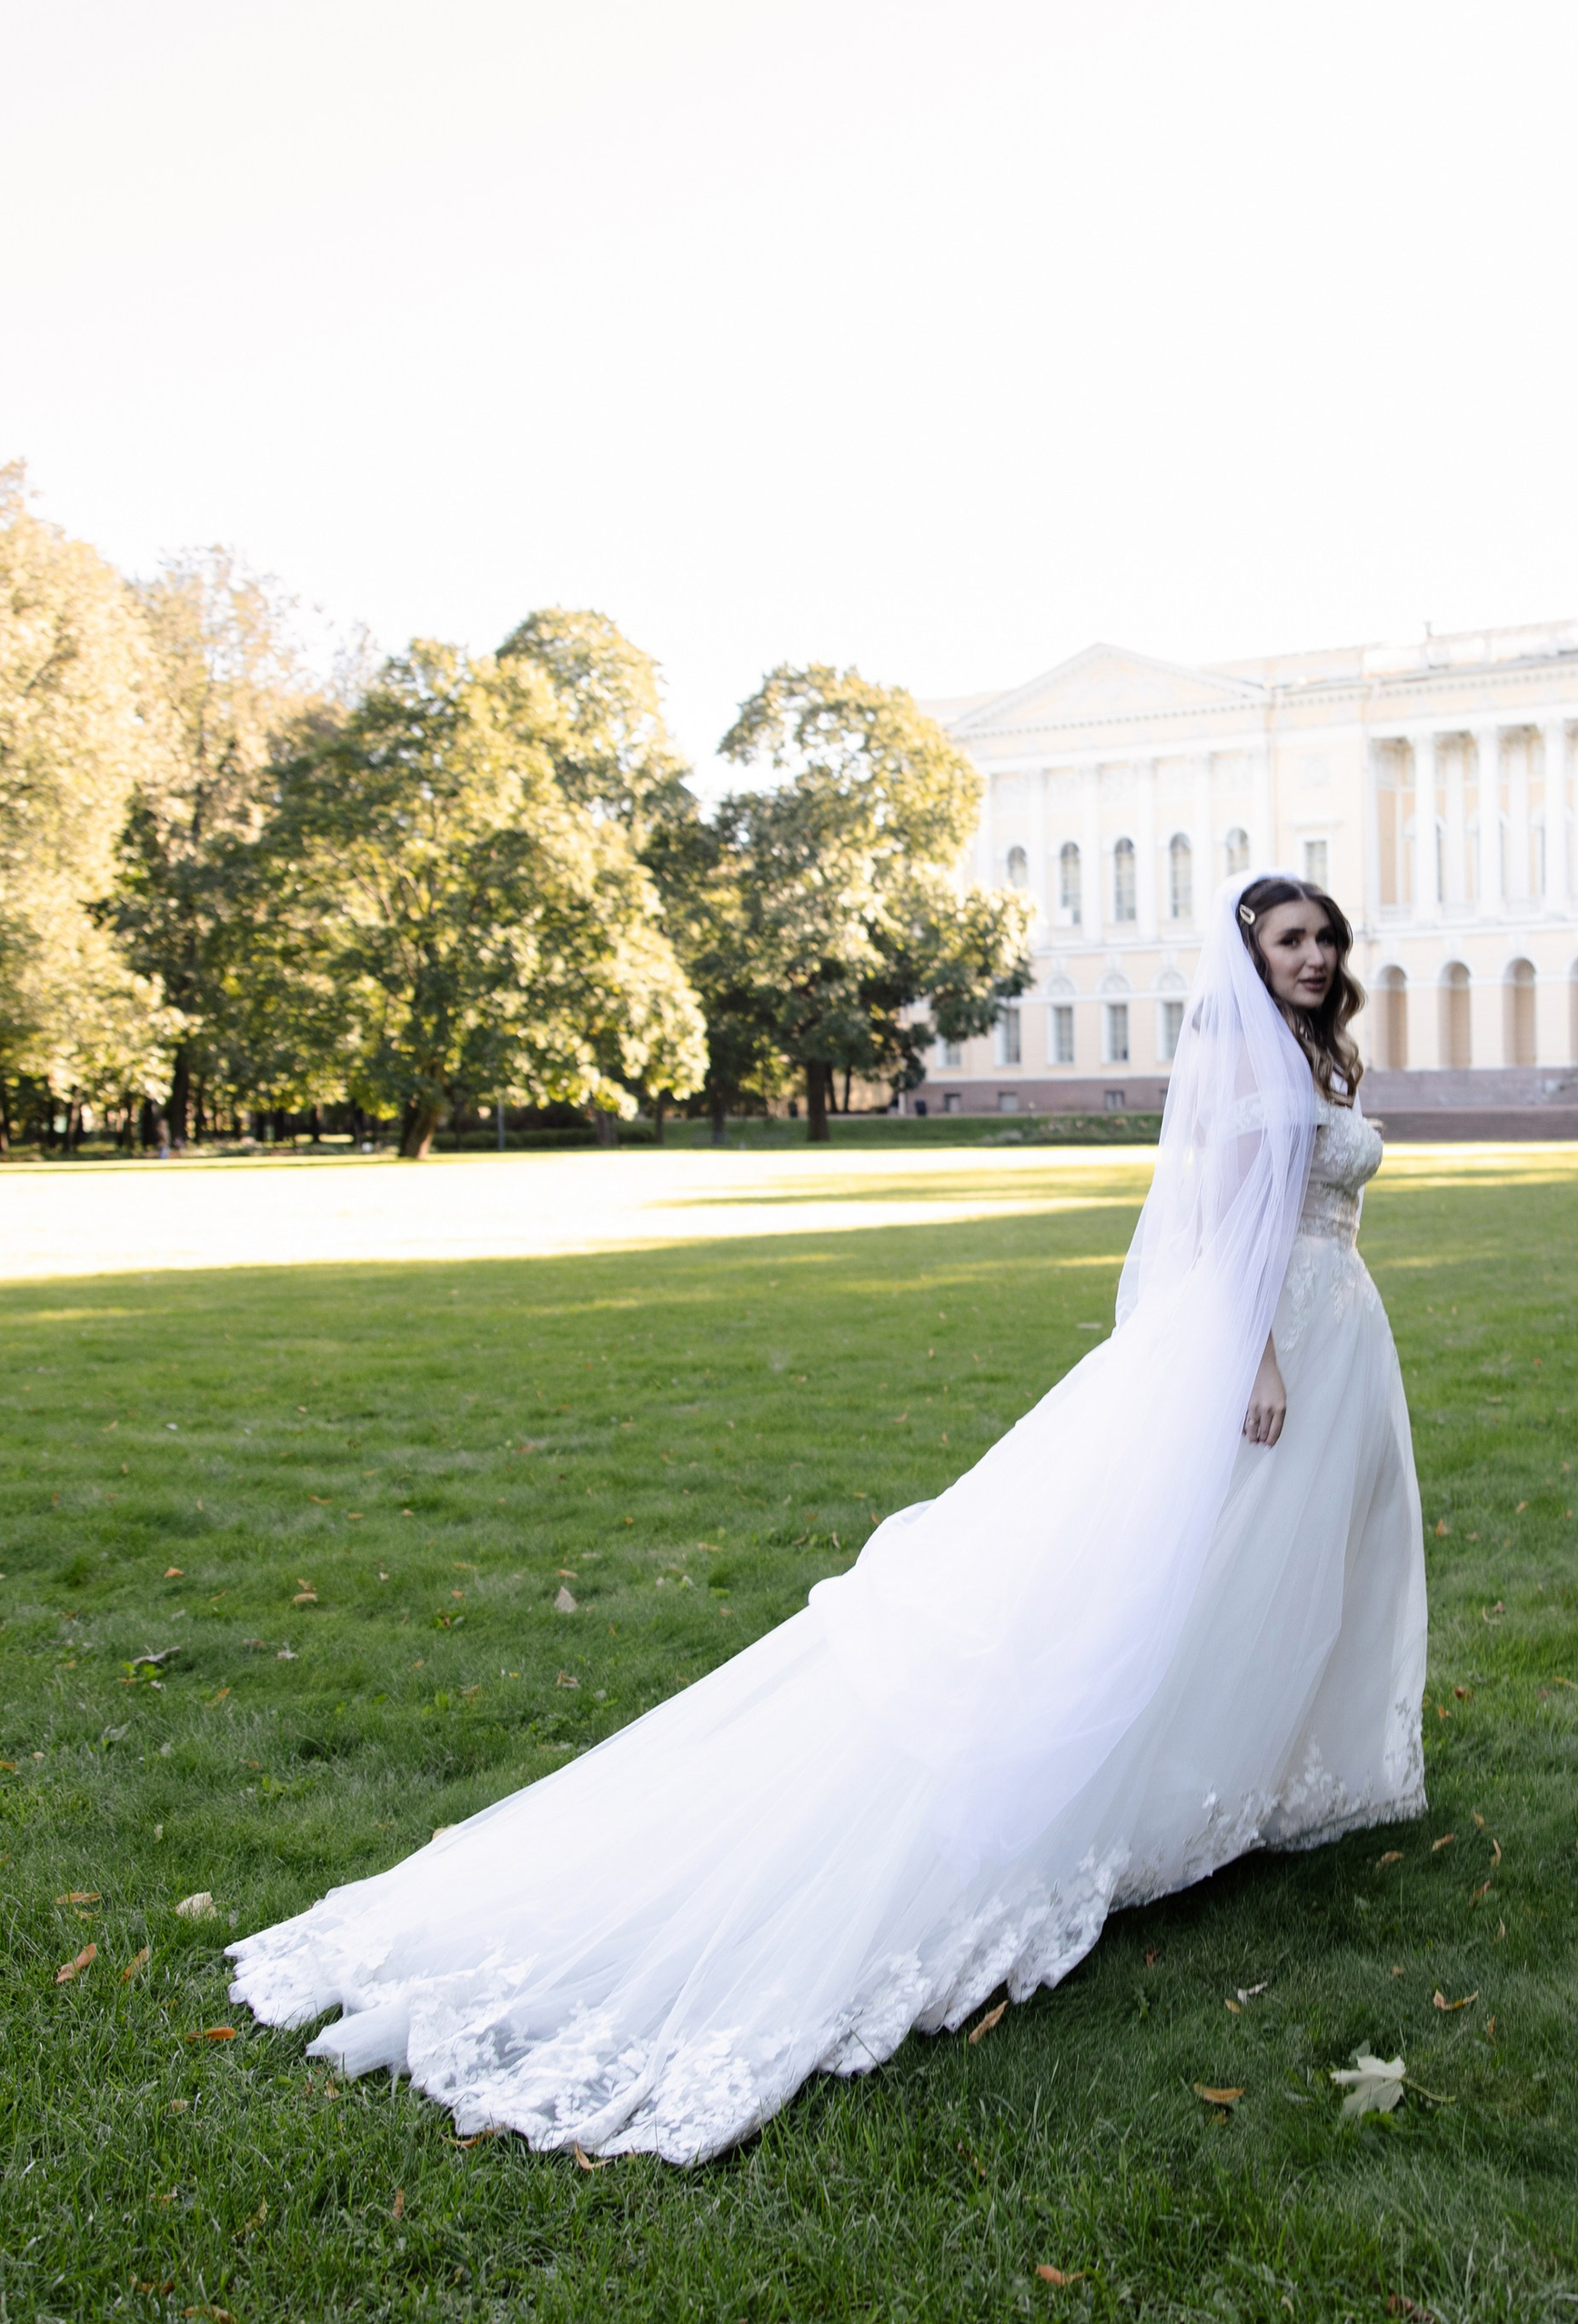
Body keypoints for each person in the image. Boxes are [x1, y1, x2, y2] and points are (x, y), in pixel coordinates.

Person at [232, 872, 1427, 2161]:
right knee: (1185, 1572)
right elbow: (1222, 1233)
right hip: (1266, 1346)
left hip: (1336, 1328)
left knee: (1272, 1574)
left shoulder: (1319, 1055)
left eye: (1324, 939)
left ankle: (1250, 1774)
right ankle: (1149, 1788)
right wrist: (1253, 1358)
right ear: (1247, 957)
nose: (1313, 956)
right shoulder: (1253, 1072)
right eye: (1288, 940)